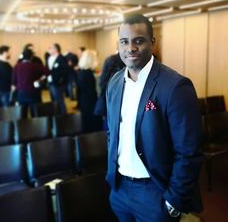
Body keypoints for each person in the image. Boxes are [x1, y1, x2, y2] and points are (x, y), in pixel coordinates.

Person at [106, 14, 203, 222]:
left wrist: (173, 201)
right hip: (120, 190)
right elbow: (112, 133)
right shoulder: (114, 83)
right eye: (124, 41)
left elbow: (189, 151)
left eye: (138, 41)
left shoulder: (175, 86)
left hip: (154, 192)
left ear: (152, 42)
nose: (130, 48)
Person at [94, 53, 125, 129]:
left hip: (111, 100)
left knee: (110, 128)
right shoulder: (139, 58)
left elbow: (102, 83)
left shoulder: (111, 59)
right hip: (120, 101)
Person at [12, 49, 46, 116]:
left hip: (21, 92)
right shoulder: (34, 65)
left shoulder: (17, 66)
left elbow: (13, 81)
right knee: (34, 112)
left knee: (22, 112)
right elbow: (47, 72)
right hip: (32, 92)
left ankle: (23, 126)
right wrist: (40, 79)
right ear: (31, 57)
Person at [77, 49, 102, 132]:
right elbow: (92, 93)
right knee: (93, 128)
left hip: (83, 102)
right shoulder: (88, 75)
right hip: (90, 105)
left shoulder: (81, 72)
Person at [47, 43, 68, 114]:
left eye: (51, 48)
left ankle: (63, 116)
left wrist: (60, 81)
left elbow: (65, 71)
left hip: (58, 84)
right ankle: (56, 115)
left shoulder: (62, 58)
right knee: (53, 100)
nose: (49, 49)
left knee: (60, 100)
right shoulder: (49, 58)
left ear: (56, 49)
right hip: (50, 82)